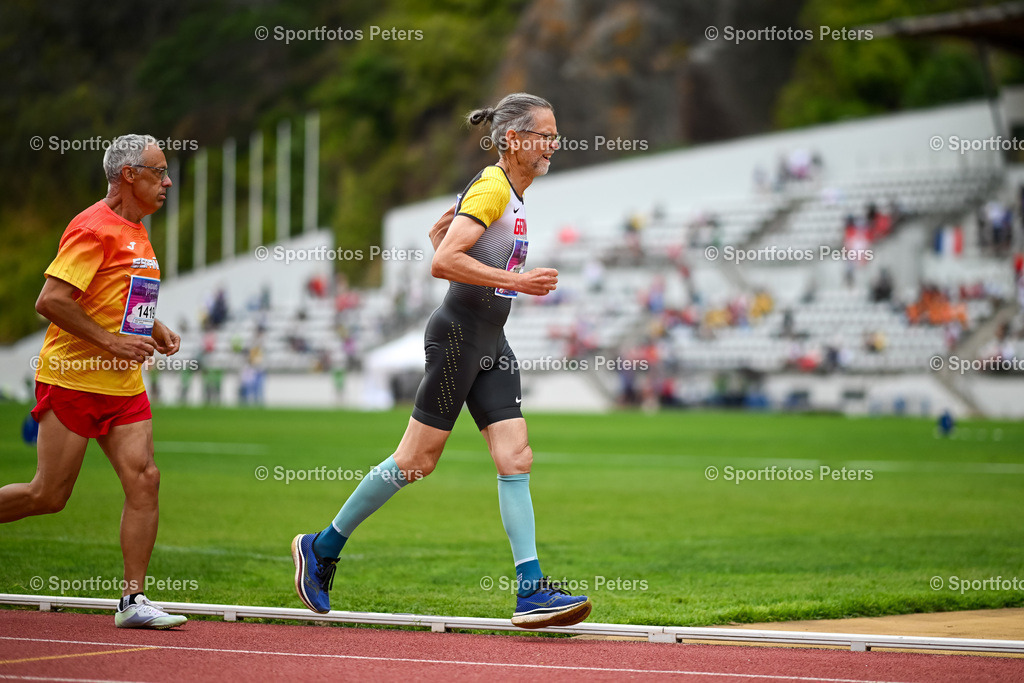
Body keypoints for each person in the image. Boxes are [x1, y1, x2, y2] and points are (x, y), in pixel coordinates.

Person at [291, 93, 592, 629]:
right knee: (416, 462)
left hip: (490, 340)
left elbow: (448, 246)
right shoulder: (495, 185)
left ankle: (529, 590)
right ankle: (321, 547)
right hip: (458, 337)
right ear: (515, 140)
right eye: (545, 135)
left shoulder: (510, 192)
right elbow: (443, 261)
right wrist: (518, 280)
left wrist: (455, 247)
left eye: (554, 133)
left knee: (515, 456)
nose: (554, 144)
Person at [0, 134, 186, 629]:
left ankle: (133, 601)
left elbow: (118, 295)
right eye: (158, 171)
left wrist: (153, 325)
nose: (167, 181)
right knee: (48, 496)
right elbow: (51, 300)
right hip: (73, 379)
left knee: (145, 479)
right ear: (130, 175)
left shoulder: (139, 230)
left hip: (122, 386)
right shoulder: (93, 227)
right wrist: (112, 343)